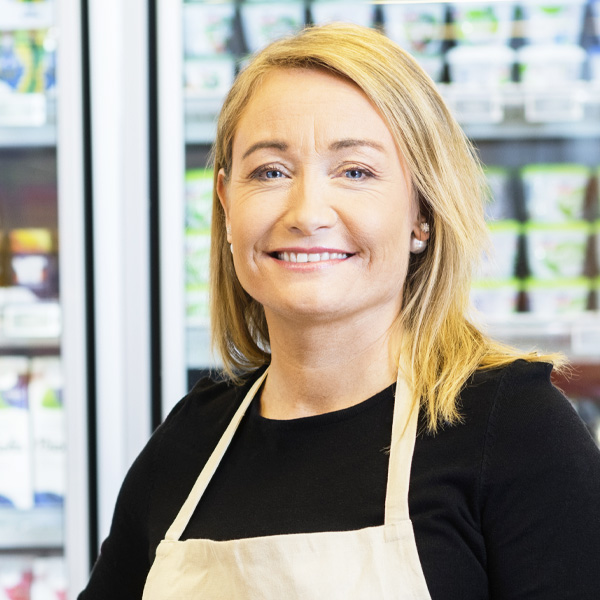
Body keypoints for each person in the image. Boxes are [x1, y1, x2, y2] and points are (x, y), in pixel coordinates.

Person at [79, 23, 600, 599]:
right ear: (227, 206)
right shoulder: (190, 443)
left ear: (421, 212)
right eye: (270, 171)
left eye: (356, 172)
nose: (307, 211)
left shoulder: (516, 432)